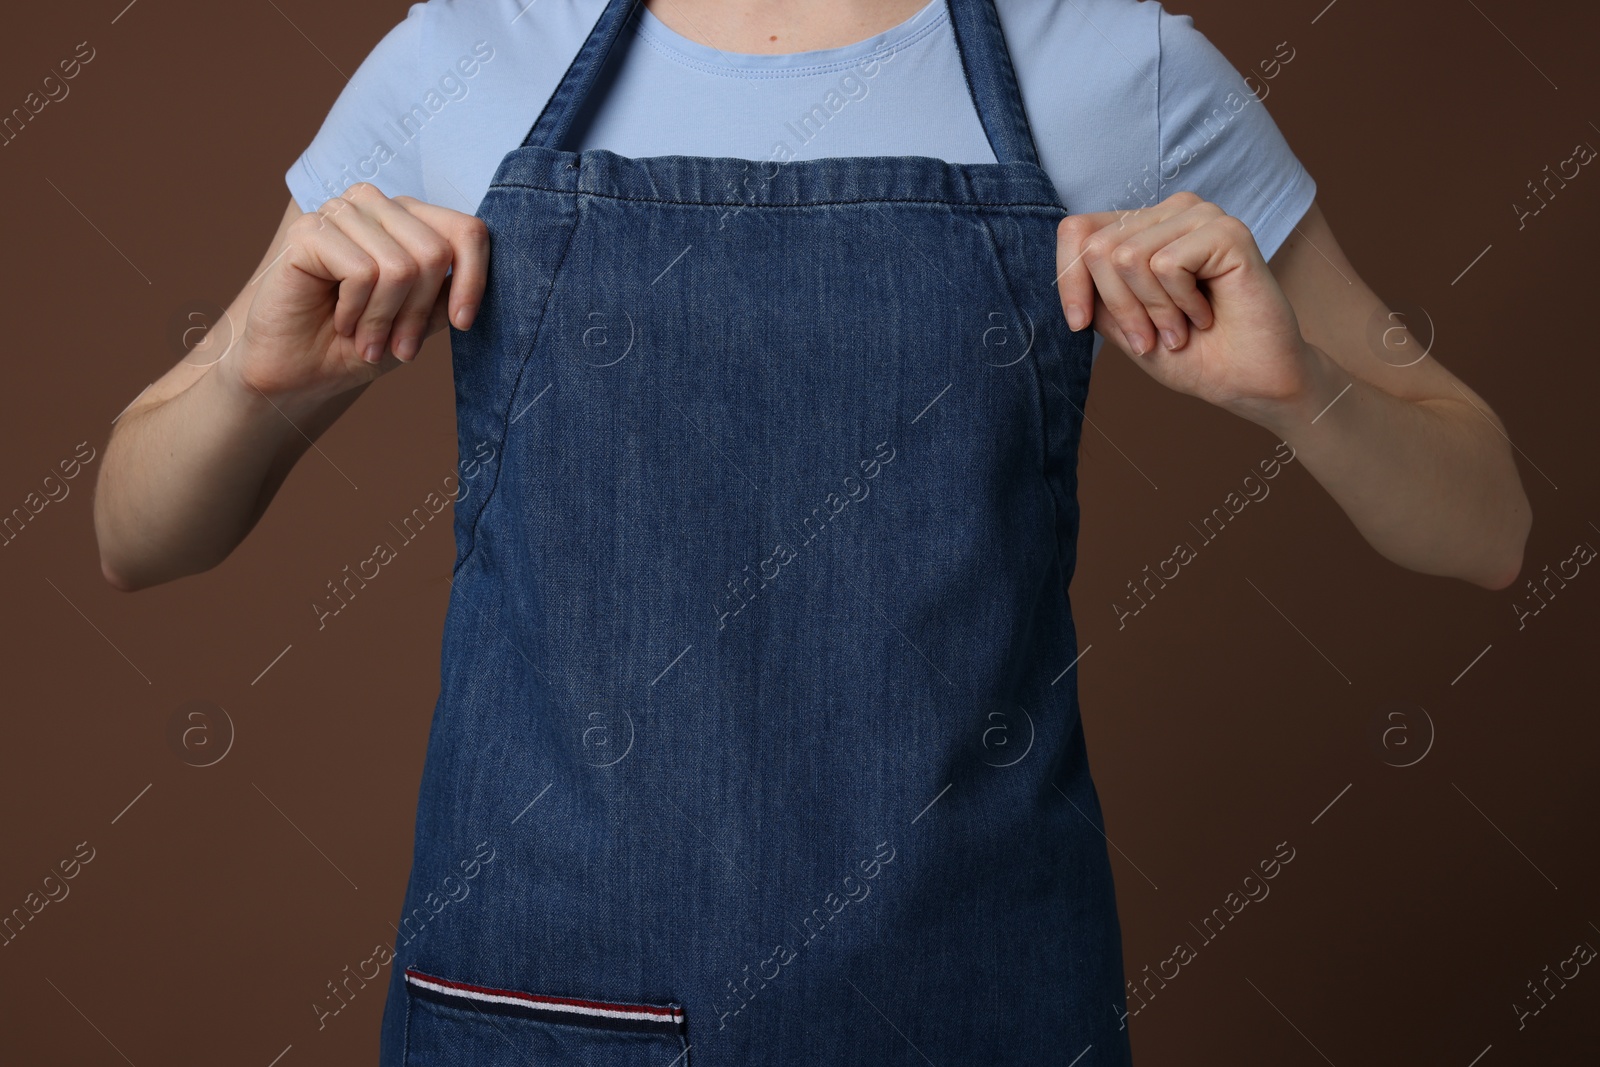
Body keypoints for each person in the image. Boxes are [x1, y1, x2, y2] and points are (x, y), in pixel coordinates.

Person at [93, 1, 1530, 1063]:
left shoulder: (1115, 67)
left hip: (970, 1004)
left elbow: (1489, 528)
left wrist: (1307, 395)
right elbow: (135, 532)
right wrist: (247, 383)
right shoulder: (470, 55)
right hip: (547, 1004)